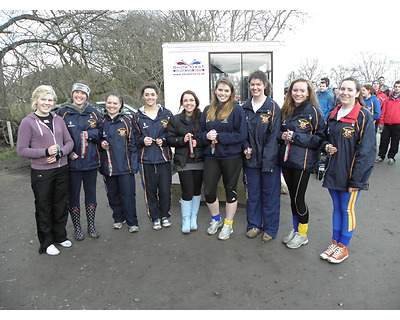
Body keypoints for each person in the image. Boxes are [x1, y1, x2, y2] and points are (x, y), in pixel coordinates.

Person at [320, 77, 375, 263]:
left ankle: (344, 246)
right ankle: (335, 242)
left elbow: (366, 152)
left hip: (352, 175)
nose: (345, 92)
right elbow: (325, 137)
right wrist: (326, 146)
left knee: (347, 209)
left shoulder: (363, 116)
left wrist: (357, 180)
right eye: (342, 89)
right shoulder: (334, 113)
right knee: (337, 208)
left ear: (357, 93)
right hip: (334, 171)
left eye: (350, 90)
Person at [17, 85, 74, 255]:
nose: (46, 103)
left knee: (60, 205)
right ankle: (46, 242)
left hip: (62, 168)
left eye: (50, 100)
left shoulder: (58, 119)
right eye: (43, 99)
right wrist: (44, 153)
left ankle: (60, 236)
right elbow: (21, 150)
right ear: (36, 101)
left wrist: (60, 153)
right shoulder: (28, 122)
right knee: (44, 207)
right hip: (42, 172)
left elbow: (69, 142)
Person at [279, 78, 325, 249]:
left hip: (303, 162)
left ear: (308, 92)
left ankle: (303, 233)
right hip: (287, 160)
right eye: (295, 90)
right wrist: (282, 135)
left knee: (299, 198)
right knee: (292, 198)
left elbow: (320, 139)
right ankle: (295, 228)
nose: (298, 94)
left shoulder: (314, 111)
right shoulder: (286, 109)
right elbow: (279, 131)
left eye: (302, 91)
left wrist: (295, 137)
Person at [199, 78, 247, 240]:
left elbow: (242, 135)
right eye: (220, 90)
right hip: (212, 156)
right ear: (215, 91)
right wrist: (206, 136)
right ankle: (216, 219)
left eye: (226, 91)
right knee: (209, 191)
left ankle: (228, 224)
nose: (223, 93)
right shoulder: (207, 110)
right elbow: (200, 133)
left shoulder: (237, 110)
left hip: (231, 156)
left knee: (230, 190)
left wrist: (220, 137)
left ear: (231, 93)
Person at [56, 82, 101, 240]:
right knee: (73, 196)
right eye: (77, 93)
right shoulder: (62, 112)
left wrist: (91, 134)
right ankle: (77, 228)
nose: (79, 96)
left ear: (87, 96)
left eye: (83, 94)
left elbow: (101, 132)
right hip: (72, 163)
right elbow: (56, 136)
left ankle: (91, 226)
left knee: (91, 194)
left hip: (90, 162)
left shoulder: (93, 112)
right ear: (72, 94)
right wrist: (67, 154)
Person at [242, 71, 281, 242]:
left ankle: (270, 228)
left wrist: (267, 161)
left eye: (259, 84)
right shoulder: (244, 107)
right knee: (253, 195)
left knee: (270, 195)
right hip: (250, 161)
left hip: (269, 161)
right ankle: (253, 225)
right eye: (252, 84)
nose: (255, 87)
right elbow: (241, 134)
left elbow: (274, 137)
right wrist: (246, 148)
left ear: (265, 85)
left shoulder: (273, 107)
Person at [133, 83, 173, 230]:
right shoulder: (137, 116)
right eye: (147, 94)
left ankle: (165, 215)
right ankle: (155, 217)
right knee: (150, 190)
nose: (150, 97)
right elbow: (134, 138)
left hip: (164, 158)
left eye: (152, 94)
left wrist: (165, 141)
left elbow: (173, 135)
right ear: (143, 96)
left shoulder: (167, 114)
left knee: (164, 189)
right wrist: (142, 141)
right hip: (146, 160)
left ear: (157, 96)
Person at [98, 93, 139, 233]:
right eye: (109, 103)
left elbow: (133, 145)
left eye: (115, 103)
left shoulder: (127, 120)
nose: (112, 106)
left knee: (128, 195)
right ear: (105, 104)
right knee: (112, 195)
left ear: (120, 105)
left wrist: (133, 166)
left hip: (125, 167)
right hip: (108, 167)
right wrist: (100, 144)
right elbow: (95, 140)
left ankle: (132, 221)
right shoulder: (101, 121)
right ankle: (118, 218)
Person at [167, 90, 204, 234]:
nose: (189, 103)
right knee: (187, 191)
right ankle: (186, 219)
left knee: (196, 191)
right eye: (186, 100)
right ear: (182, 103)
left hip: (200, 160)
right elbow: (169, 139)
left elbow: (206, 137)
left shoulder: (203, 118)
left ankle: (193, 218)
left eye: (191, 100)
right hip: (184, 162)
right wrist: (182, 140)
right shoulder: (176, 119)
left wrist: (198, 141)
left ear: (196, 102)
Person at [375, 80, 400, 165]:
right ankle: (381, 155)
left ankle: (391, 157)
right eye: (396, 86)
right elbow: (383, 111)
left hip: (397, 125)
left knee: (395, 141)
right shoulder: (387, 99)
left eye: (399, 87)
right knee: (384, 140)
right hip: (386, 124)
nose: (397, 88)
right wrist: (381, 122)